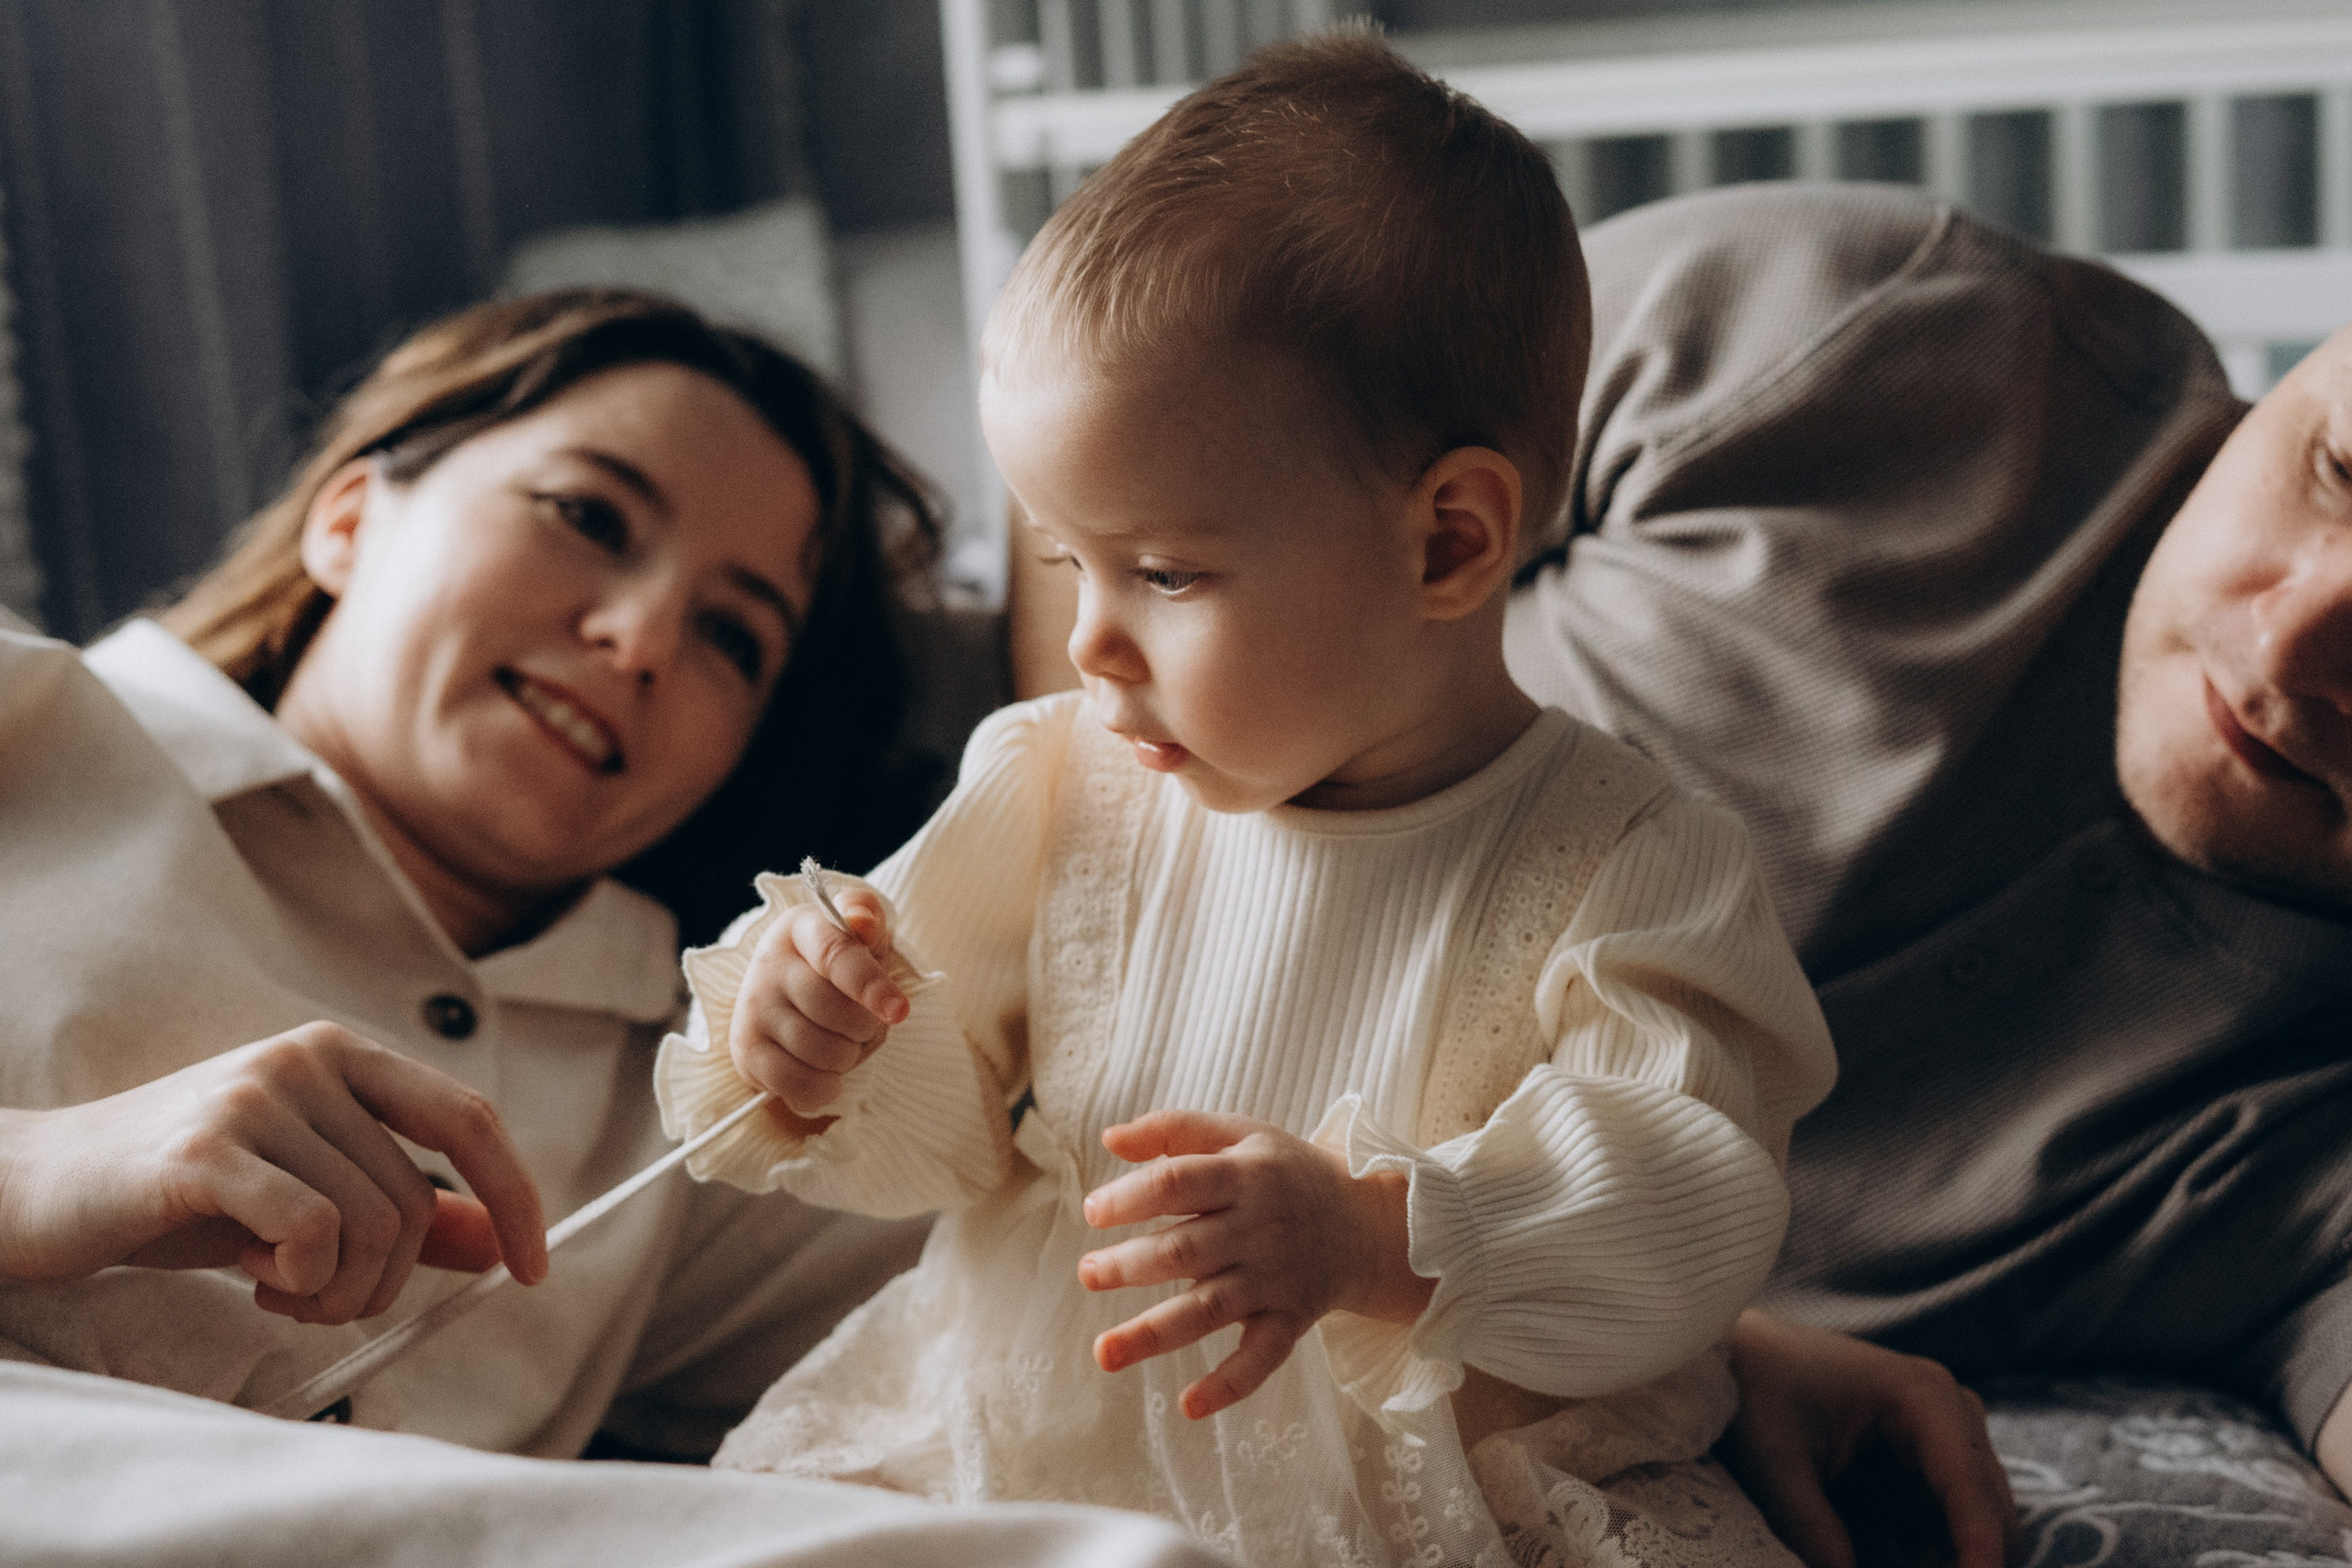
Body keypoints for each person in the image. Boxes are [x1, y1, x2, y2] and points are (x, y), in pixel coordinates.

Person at [998, 175, 2350, 1568]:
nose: (2301, 635)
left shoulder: (2309, 1121)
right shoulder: (1877, 329)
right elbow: (1134, 471)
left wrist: (1632, 1335)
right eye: (2339, 469)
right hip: (1001, 1072)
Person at [659, 34, 1838, 1568]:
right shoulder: (1051, 779)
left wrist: (1380, 1237)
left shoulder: (1630, 863)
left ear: (1448, 545)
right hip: (1023, 1442)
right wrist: (819, 1054)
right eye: (1065, 561)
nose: (1089, 638)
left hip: (1428, 1504)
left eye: (1164, 571)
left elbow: (1685, 1204)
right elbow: (934, 1141)